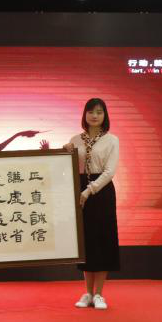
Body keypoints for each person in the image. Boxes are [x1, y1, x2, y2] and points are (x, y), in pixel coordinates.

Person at [64, 97, 121, 309]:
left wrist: (89, 190)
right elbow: (68, 168)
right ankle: (87, 293)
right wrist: (63, 152)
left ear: (105, 115)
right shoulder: (75, 140)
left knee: (102, 240)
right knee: (86, 242)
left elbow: (109, 172)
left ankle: (99, 294)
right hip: (80, 192)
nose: (94, 116)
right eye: (90, 112)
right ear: (84, 115)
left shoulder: (111, 140)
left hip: (101, 192)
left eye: (99, 112)